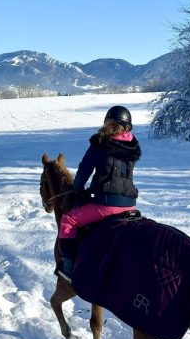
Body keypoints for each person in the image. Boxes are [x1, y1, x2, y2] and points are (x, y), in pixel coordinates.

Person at [56, 105, 141, 284]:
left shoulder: (100, 144)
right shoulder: (132, 145)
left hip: (107, 205)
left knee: (68, 220)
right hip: (130, 204)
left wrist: (77, 189)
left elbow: (83, 172)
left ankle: (68, 270)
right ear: (128, 126)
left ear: (108, 123)